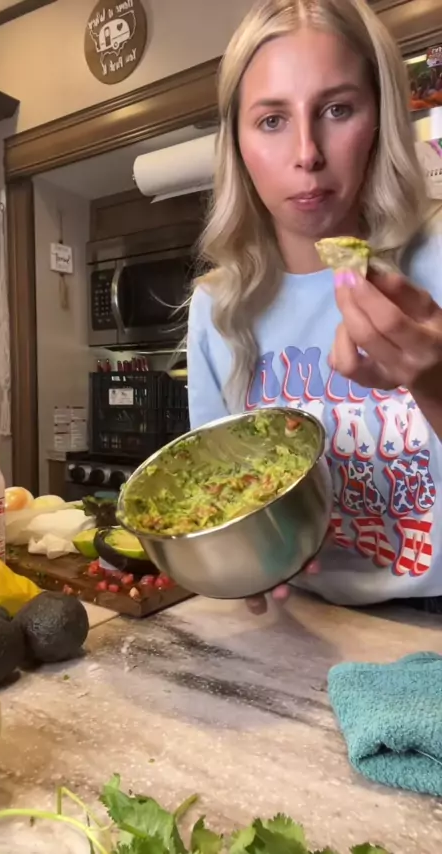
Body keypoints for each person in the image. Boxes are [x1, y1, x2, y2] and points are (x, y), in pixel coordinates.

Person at [187, 0, 442, 614]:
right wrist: (243, 559)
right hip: (300, 623)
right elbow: (222, 500)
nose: (307, 152)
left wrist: (436, 384)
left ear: (379, 119)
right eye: (272, 120)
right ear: (238, 143)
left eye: (337, 109)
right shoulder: (216, 310)